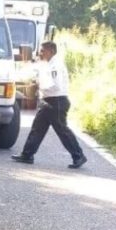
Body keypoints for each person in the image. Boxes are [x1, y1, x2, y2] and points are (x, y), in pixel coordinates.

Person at [11, 41, 87, 169]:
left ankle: (78, 156)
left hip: (56, 101)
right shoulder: (47, 64)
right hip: (48, 101)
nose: (40, 53)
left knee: (62, 130)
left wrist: (40, 86)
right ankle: (27, 154)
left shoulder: (55, 65)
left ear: (51, 51)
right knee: (37, 128)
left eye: (42, 51)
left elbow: (55, 85)